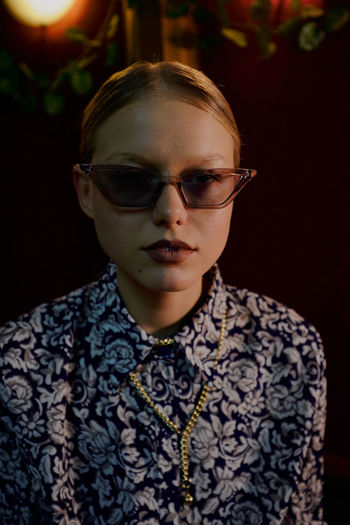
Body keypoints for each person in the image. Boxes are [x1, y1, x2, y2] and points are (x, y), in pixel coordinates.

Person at [0, 61, 326, 525]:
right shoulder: (18, 369)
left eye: (203, 180)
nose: (171, 213)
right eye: (132, 180)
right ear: (87, 191)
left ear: (233, 186)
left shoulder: (291, 350)